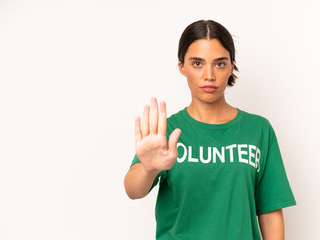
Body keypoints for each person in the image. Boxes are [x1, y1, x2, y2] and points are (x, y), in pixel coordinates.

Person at [124, 19, 296, 240]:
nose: (209, 75)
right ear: (181, 67)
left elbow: (270, 213)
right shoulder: (167, 132)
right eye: (197, 63)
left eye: (220, 63)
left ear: (232, 66)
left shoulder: (258, 130)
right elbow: (133, 190)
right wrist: (148, 169)